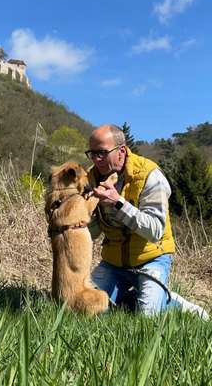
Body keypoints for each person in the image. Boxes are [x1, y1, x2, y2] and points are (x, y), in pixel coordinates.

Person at [87, 124, 208, 318]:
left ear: (121, 151)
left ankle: (175, 304)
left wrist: (118, 203)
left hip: (151, 260)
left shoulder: (150, 176)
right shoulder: (90, 178)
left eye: (102, 153)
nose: (96, 160)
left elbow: (155, 230)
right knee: (86, 307)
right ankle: (132, 298)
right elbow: (93, 232)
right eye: (92, 154)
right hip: (114, 263)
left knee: (147, 318)